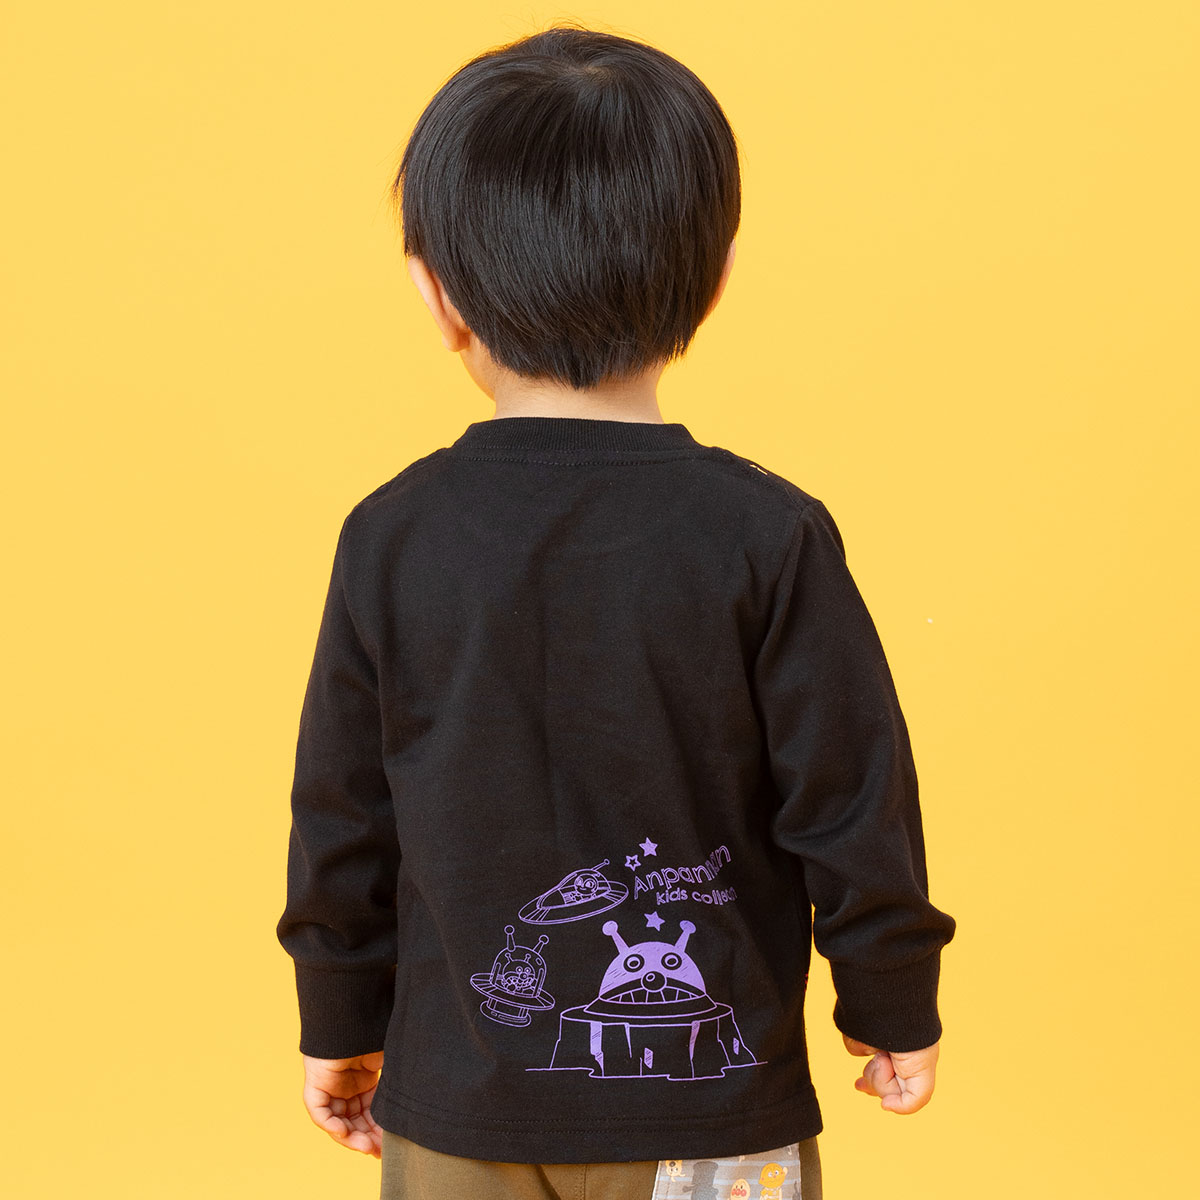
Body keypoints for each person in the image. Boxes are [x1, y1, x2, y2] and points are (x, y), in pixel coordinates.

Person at [275, 23, 957, 1200]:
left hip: (459, 1107)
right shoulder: (768, 534)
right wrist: (889, 995)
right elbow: (853, 795)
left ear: (436, 296)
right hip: (713, 1107)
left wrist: (336, 1012)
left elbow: (343, 812)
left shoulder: (391, 535)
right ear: (717, 276)